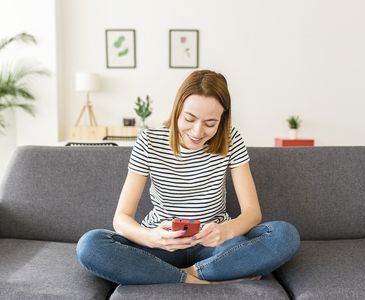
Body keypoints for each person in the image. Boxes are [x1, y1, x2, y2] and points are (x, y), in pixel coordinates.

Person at [76, 70, 300, 285]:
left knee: (284, 235)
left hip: (216, 247)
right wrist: (153, 237)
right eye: (189, 119)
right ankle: (205, 280)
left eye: (210, 123)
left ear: (222, 119)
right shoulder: (149, 141)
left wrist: (226, 230)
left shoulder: (231, 140)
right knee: (90, 244)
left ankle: (179, 275)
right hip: (161, 247)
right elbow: (121, 218)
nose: (197, 131)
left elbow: (252, 213)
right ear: (177, 110)